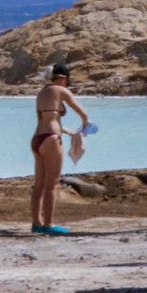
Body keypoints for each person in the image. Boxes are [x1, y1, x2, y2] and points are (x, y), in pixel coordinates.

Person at [29, 64, 91, 236]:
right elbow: (84, 114)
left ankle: (36, 223)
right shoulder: (61, 90)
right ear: (63, 78)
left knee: (39, 185)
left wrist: (68, 131)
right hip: (52, 139)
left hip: (37, 139)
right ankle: (49, 224)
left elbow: (45, 119)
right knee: (52, 185)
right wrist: (86, 127)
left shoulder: (41, 93)